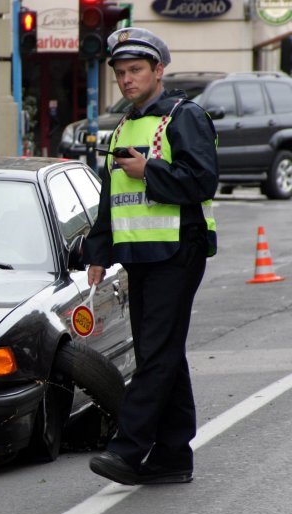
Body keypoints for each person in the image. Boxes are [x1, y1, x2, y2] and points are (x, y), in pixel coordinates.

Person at [83, 27, 218, 485]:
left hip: (179, 250)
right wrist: (99, 252)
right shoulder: (123, 125)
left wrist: (149, 170)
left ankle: (128, 449)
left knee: (156, 354)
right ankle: (173, 456)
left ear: (159, 71)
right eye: (120, 73)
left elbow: (202, 182)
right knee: (161, 352)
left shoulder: (184, 116)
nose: (127, 79)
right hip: (140, 255)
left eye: (136, 70)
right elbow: (110, 198)